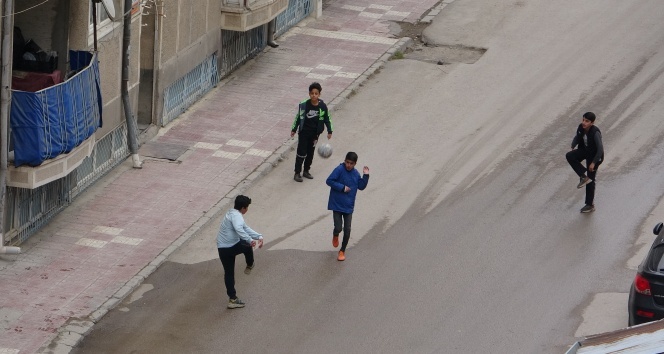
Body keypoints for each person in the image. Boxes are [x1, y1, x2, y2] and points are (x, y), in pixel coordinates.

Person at [216, 195, 264, 309]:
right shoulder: (237, 217)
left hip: (222, 248)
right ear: (243, 208)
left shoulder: (231, 213)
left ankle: (232, 299)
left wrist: (258, 236)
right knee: (247, 245)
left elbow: (245, 228)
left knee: (228, 273)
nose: (247, 210)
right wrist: (250, 240)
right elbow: (239, 228)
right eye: (247, 208)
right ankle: (250, 263)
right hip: (231, 246)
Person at [326, 152, 370, 261]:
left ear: (355, 164)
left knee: (347, 229)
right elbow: (329, 181)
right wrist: (342, 187)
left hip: (348, 206)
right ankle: (335, 234)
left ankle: (342, 251)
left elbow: (361, 186)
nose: (348, 165)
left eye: (351, 163)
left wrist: (366, 175)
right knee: (338, 227)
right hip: (337, 204)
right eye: (347, 162)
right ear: (344, 160)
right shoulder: (339, 169)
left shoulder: (355, 174)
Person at [291, 82, 333, 182]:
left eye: (316, 93)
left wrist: (329, 130)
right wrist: (293, 129)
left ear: (319, 94)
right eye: (312, 93)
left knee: (310, 153)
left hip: (315, 134)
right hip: (304, 133)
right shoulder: (304, 105)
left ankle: (306, 171)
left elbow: (327, 118)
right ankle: (297, 172)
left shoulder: (322, 106)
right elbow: (298, 118)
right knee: (301, 152)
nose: (314, 95)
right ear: (309, 94)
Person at [566, 112, 604, 213]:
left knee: (591, 179)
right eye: (583, 120)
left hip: (595, 156)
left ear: (592, 122)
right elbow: (577, 137)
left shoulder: (595, 132)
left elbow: (600, 150)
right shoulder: (581, 127)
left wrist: (593, 163)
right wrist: (573, 145)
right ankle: (583, 177)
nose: (584, 122)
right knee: (570, 156)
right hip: (586, 151)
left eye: (587, 121)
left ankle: (590, 204)